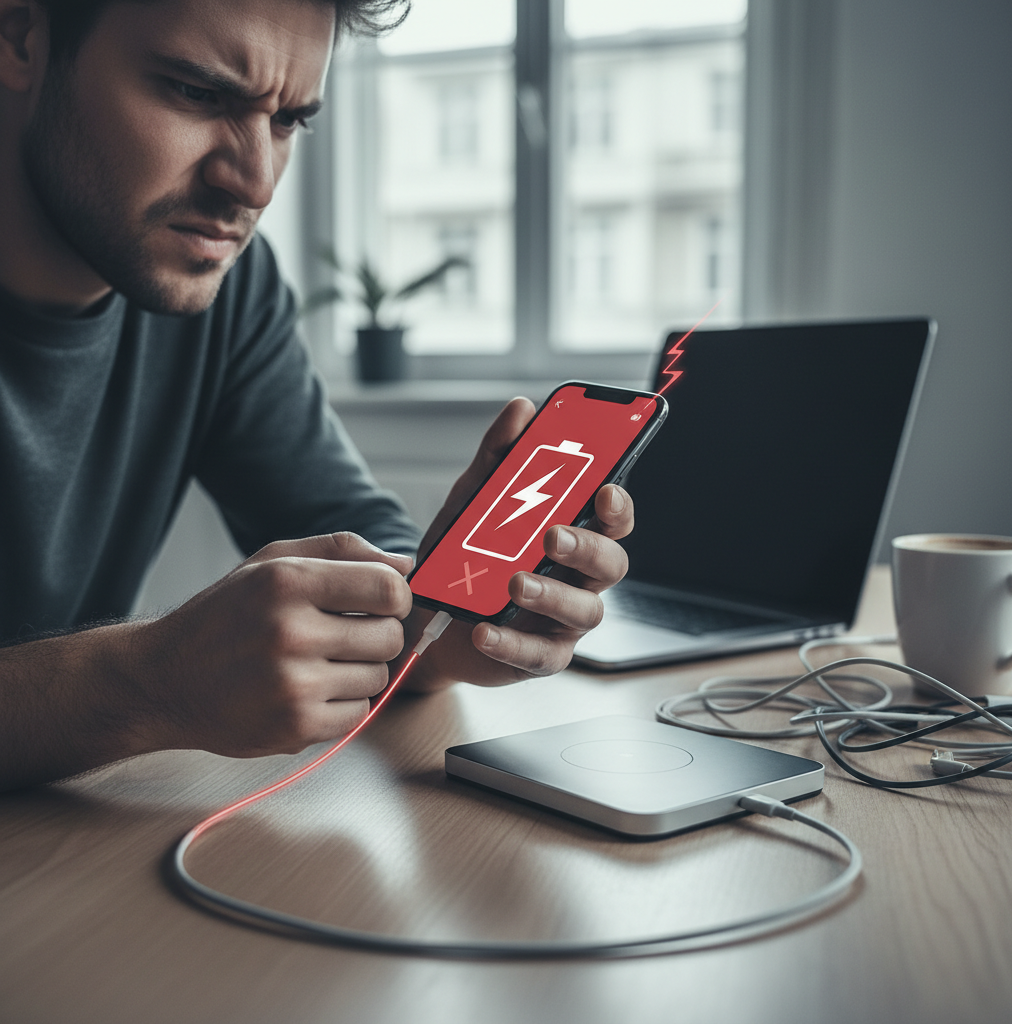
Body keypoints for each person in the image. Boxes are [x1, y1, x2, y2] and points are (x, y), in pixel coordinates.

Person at [0, 0, 635, 791]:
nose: (255, 182)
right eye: (197, 94)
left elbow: (344, 529)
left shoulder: (225, 287)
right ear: (23, 34)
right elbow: (143, 682)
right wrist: (146, 680)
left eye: (289, 120)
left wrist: (445, 620)